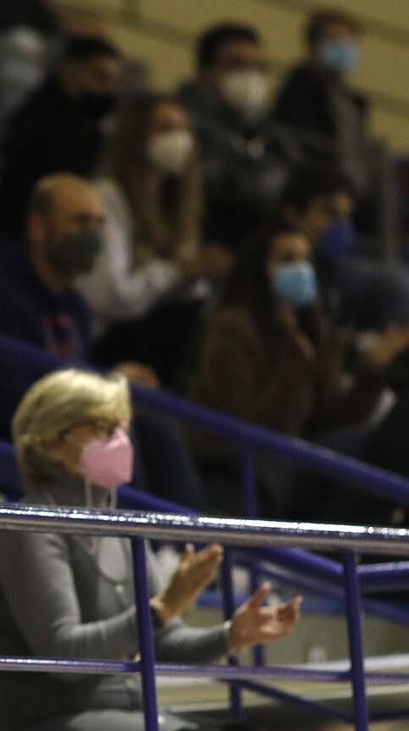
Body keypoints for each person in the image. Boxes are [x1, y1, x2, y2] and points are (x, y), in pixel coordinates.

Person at [0, 368, 298, 731]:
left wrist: (231, 634)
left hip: (122, 715)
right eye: (103, 429)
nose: (120, 441)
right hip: (37, 724)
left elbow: (160, 638)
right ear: (48, 440)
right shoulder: (30, 529)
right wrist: (161, 609)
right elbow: (65, 656)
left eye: (121, 429)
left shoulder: (123, 531)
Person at [0, 175, 202, 508]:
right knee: (111, 427)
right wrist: (102, 388)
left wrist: (109, 385)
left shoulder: (75, 308)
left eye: (99, 223)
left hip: (54, 441)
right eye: (80, 221)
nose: (93, 235)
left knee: (149, 418)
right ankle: (130, 545)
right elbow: (9, 404)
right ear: (39, 227)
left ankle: (191, 543)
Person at [188, 224, 409, 516]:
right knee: (378, 446)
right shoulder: (233, 327)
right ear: (262, 267)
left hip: (296, 453)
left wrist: (372, 371)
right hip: (250, 461)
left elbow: (328, 416)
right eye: (288, 259)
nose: (300, 269)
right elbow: (244, 418)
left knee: (382, 438)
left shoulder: (310, 326)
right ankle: (335, 553)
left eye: (305, 259)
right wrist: (293, 361)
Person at [77, 94, 229, 388]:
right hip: (102, 343)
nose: (178, 140)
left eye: (183, 130)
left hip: (150, 350)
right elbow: (110, 297)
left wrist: (199, 272)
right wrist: (178, 271)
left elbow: (180, 296)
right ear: (136, 136)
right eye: (165, 129)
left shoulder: (177, 207)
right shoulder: (107, 197)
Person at [0, 35, 121, 238]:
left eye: (113, 81)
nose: (108, 90)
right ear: (71, 69)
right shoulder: (37, 120)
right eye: (100, 77)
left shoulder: (89, 128)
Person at [178, 23, 301, 251]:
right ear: (204, 72)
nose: (249, 75)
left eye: (257, 67)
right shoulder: (181, 120)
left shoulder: (271, 132)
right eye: (236, 64)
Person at [277, 166, 409, 332]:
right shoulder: (265, 275)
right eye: (330, 214)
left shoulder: (333, 275)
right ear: (292, 214)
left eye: (346, 217)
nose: (341, 226)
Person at [272, 9, 372, 201]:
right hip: (315, 195)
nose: (342, 49)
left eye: (348, 42)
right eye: (333, 41)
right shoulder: (297, 92)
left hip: (351, 197)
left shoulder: (355, 103)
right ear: (312, 47)